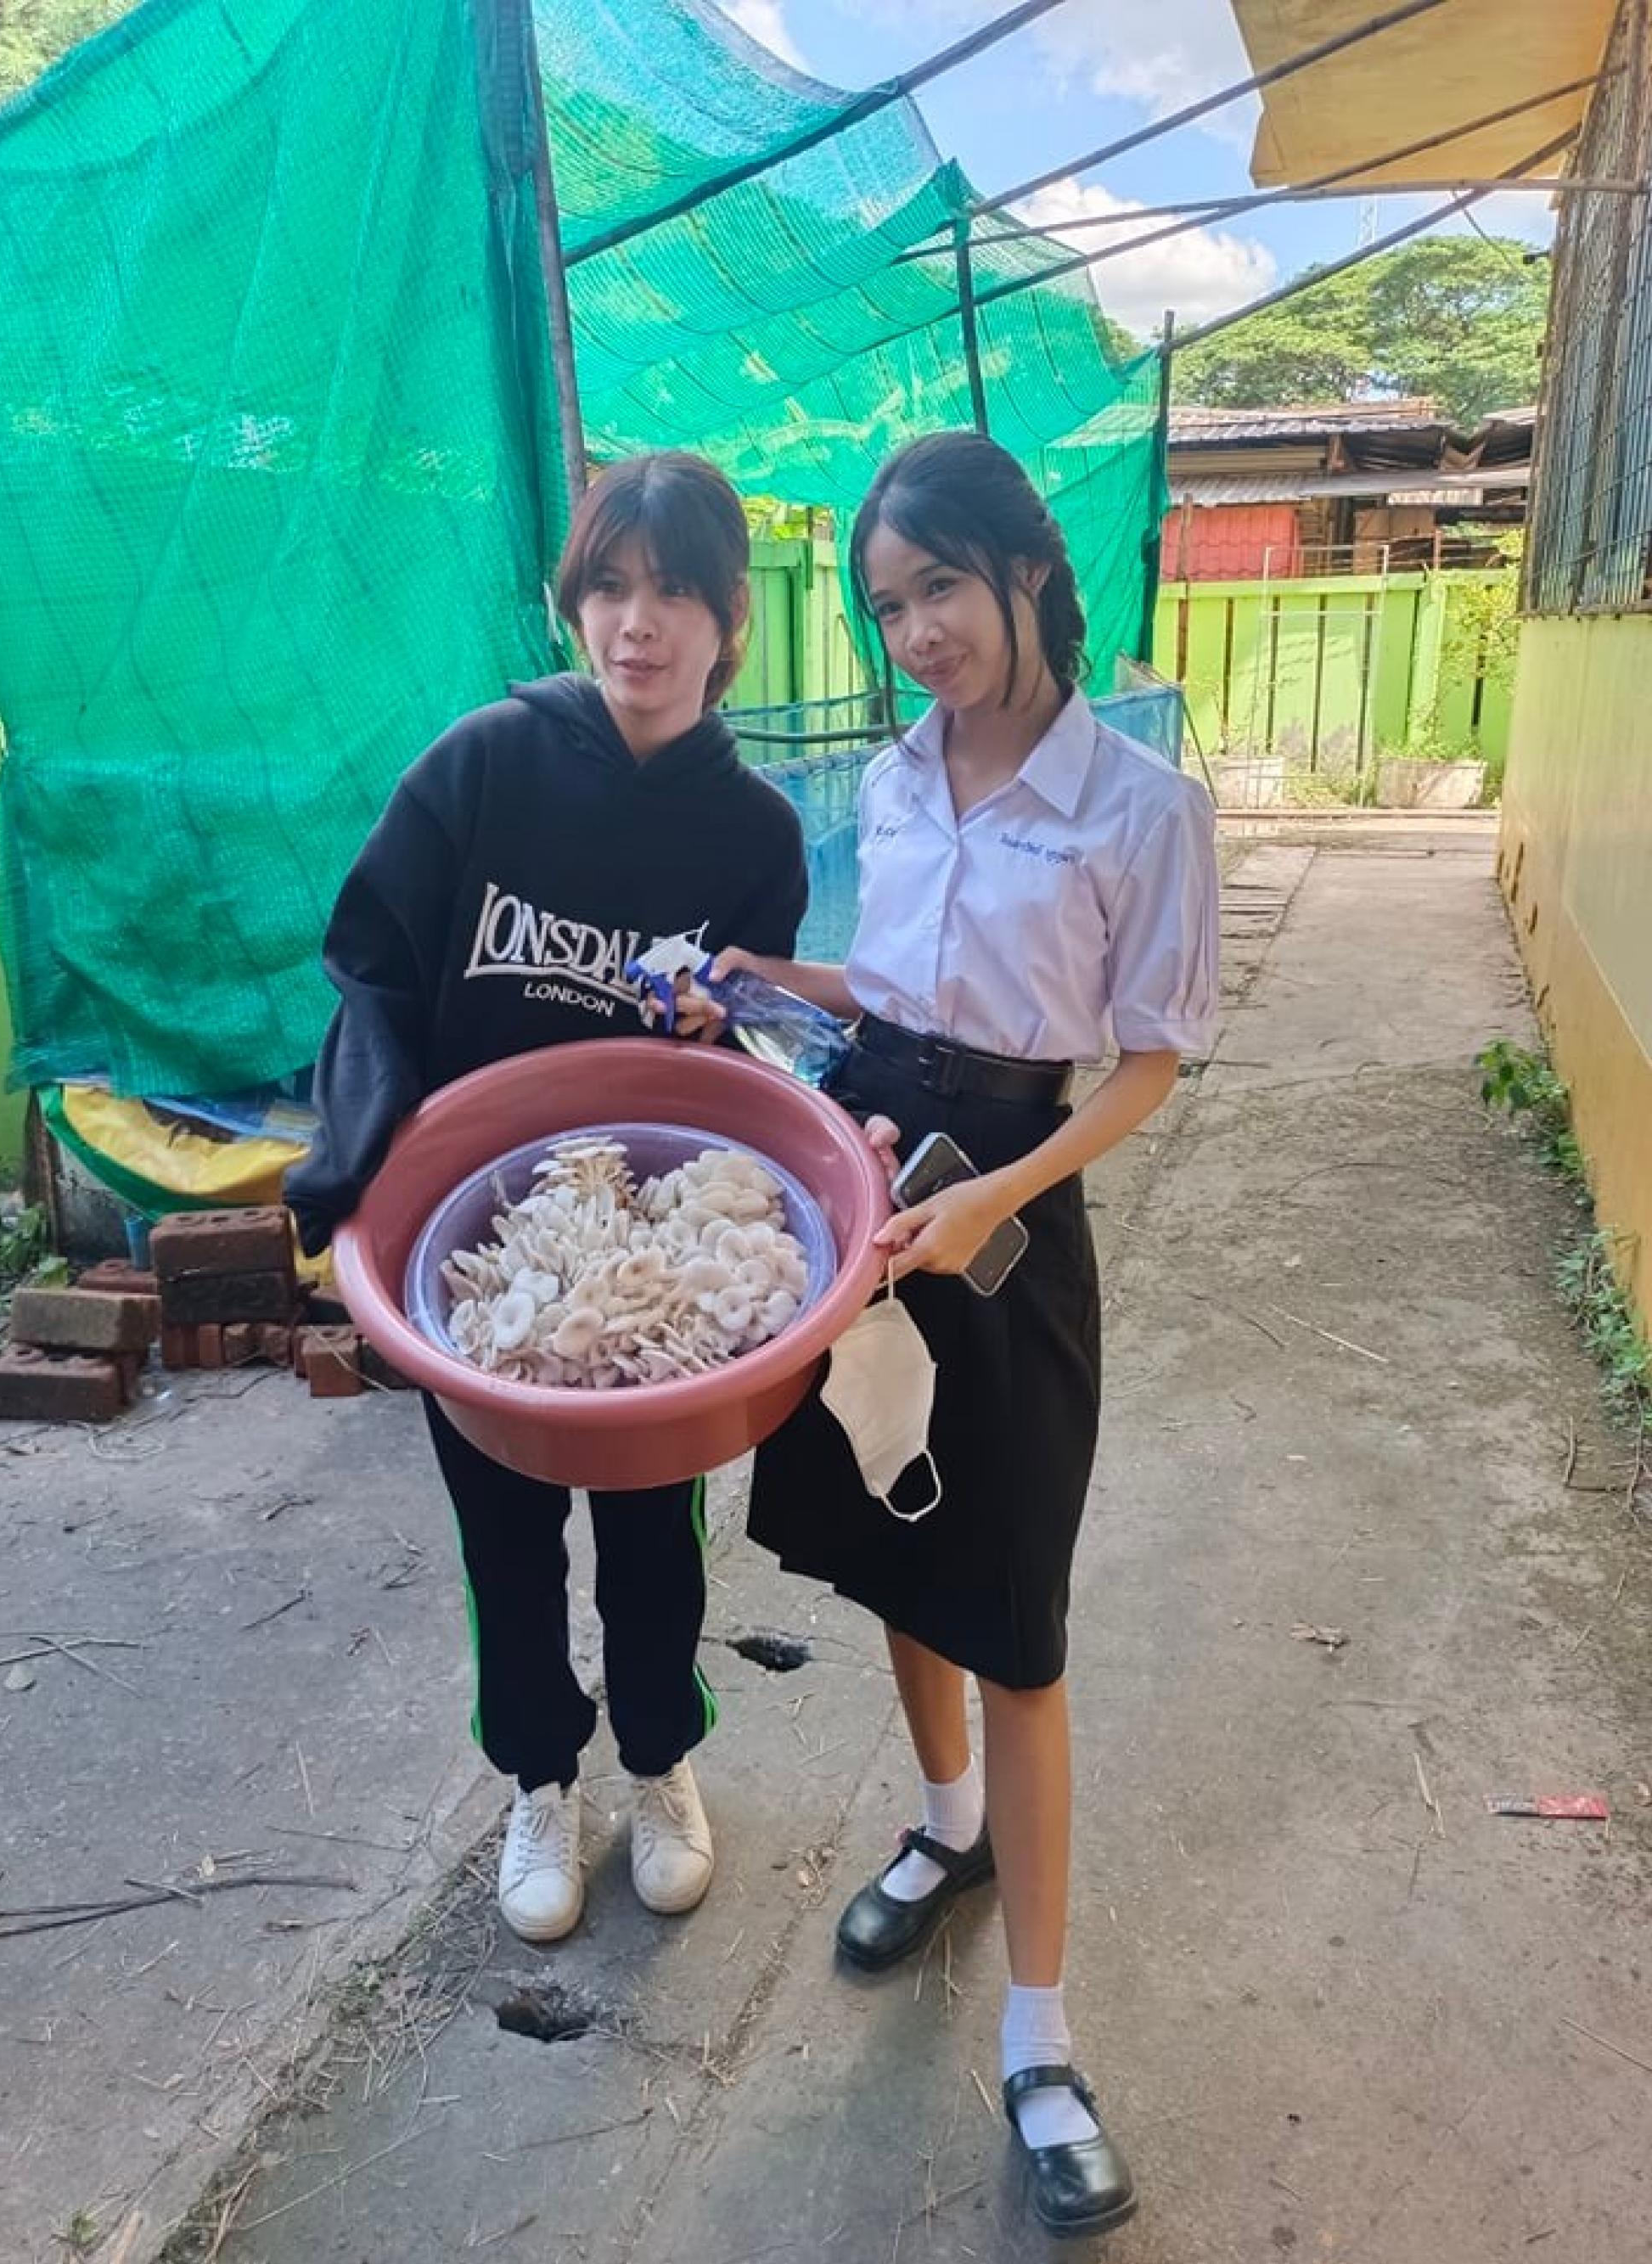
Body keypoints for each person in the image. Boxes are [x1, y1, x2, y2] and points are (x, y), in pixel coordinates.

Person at [685, 431, 1218, 2237]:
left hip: (1004, 1216)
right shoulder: (897, 778)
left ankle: (1044, 2043)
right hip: (866, 1190)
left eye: (940, 588)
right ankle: (945, 1826)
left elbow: (1145, 1059)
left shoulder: (1138, 805)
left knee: (1016, 1620)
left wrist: (1001, 1195)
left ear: (1026, 569)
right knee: (892, 1556)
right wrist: (762, 983)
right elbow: (895, 993)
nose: (916, 633)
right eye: (887, 603)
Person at [286, 452, 807, 1945]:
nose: (639, 624)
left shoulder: (754, 835)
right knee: (502, 1531)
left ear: (730, 620)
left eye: (676, 593)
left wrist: (734, 1039)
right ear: (573, 601)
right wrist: (357, 1165)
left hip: (652, 1263)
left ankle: (660, 1760)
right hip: (494, 1255)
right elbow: (373, 968)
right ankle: (539, 1782)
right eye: (611, 587)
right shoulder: (484, 765)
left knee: (653, 1532)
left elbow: (757, 1055)